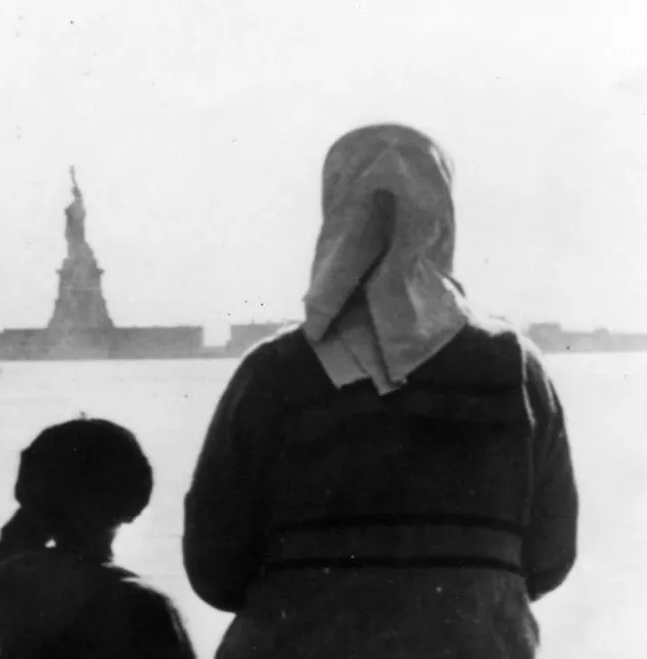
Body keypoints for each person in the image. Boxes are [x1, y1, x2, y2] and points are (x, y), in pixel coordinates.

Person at [182, 124, 579, 658]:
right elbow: (550, 557)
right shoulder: (515, 369)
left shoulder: (274, 373)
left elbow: (214, 568)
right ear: (443, 217)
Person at [0, 418, 195, 659]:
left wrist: (41, 503)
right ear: (132, 501)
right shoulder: (143, 605)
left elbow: (13, 538)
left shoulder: (9, 581)